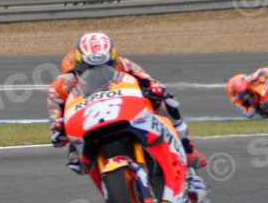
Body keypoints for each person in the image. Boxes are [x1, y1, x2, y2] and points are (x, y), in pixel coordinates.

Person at [48, 32, 206, 172]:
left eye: (105, 66)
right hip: (89, 121)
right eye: (90, 68)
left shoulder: (124, 64)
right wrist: (59, 129)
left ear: (113, 60)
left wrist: (156, 89)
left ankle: (187, 148)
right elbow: (57, 132)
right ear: (79, 64)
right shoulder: (61, 85)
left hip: (125, 109)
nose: (99, 72)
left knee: (167, 101)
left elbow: (149, 81)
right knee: (76, 160)